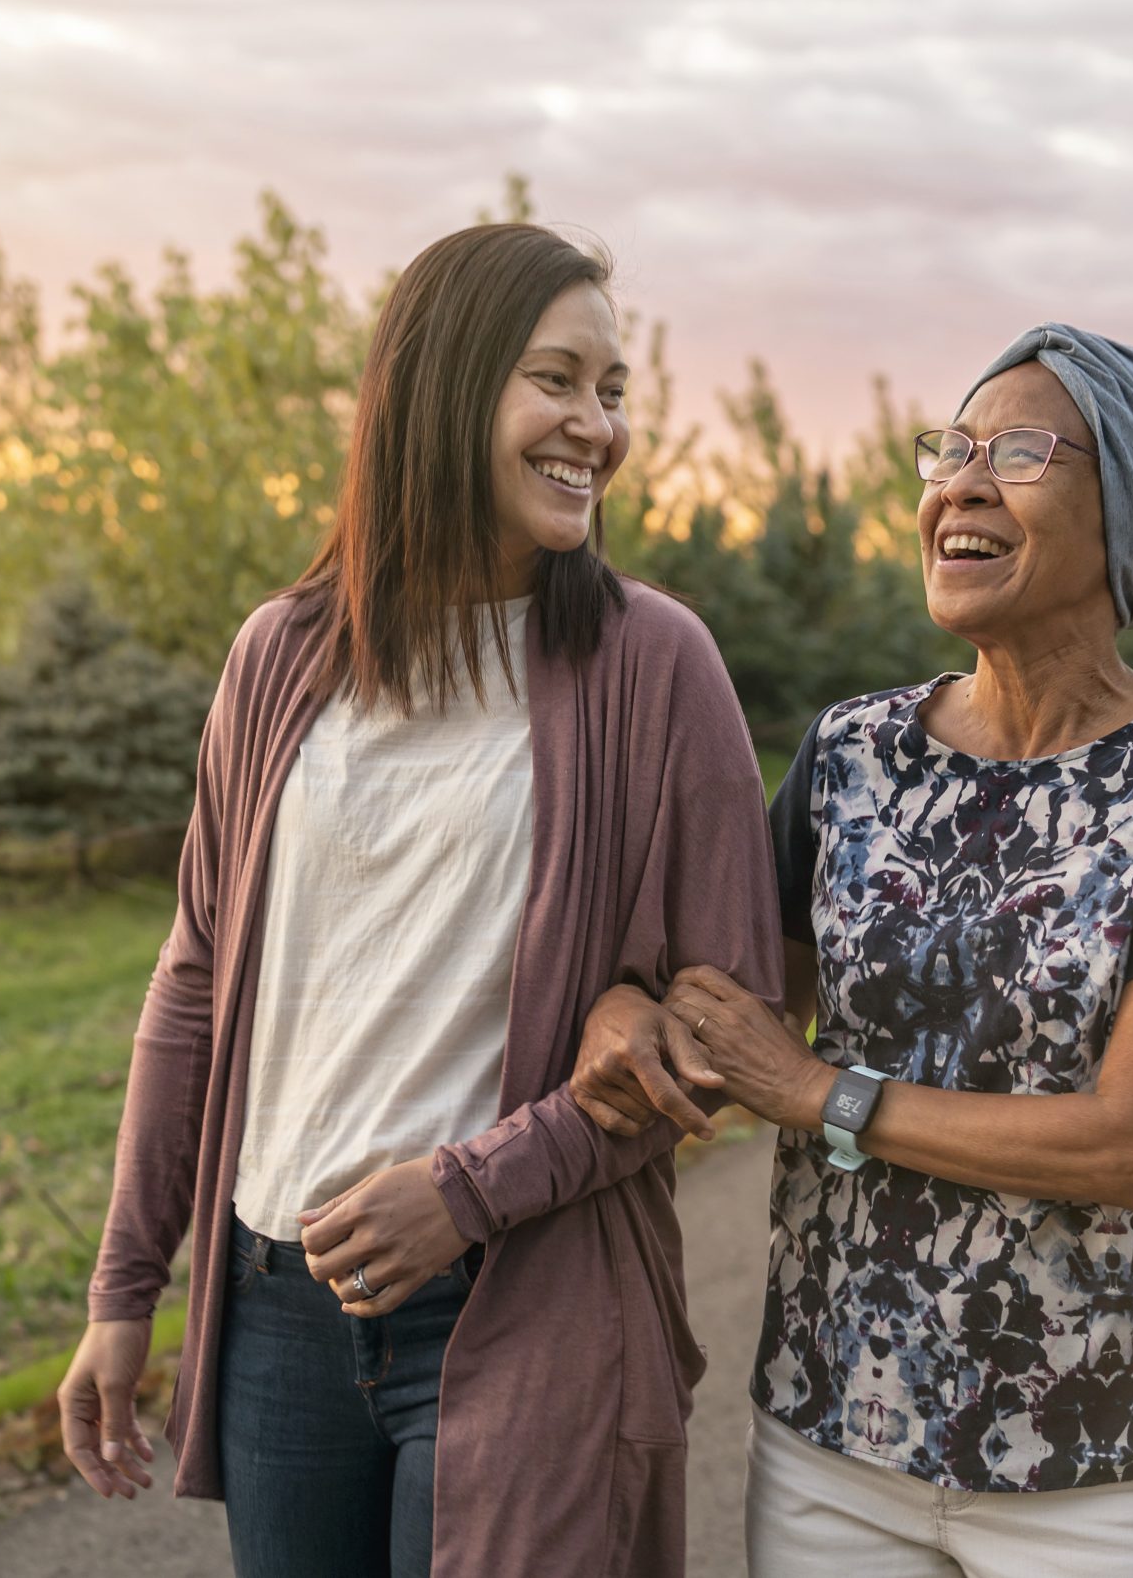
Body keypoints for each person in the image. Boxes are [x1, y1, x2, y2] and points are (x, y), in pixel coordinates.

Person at [56, 221, 783, 1578]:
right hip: (280, 1307)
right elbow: (195, 980)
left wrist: (468, 1188)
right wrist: (124, 1289)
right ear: (443, 387)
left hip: (523, 1295)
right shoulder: (282, 655)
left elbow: (721, 1023)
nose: (597, 425)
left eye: (612, 389)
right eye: (556, 379)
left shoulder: (654, 664)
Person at [574, 324, 1133, 1576]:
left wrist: (819, 1093)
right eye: (950, 448)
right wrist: (624, 1016)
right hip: (833, 1440)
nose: (959, 481)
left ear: (1130, 510)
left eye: (1018, 451)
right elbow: (731, 1017)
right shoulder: (851, 754)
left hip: (1101, 1462)